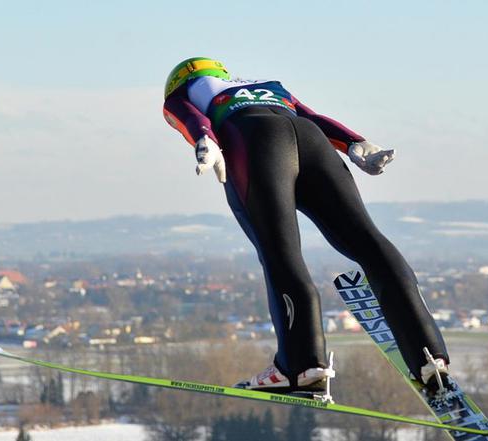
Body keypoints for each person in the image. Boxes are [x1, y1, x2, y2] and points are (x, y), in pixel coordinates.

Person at [162, 57, 449, 396]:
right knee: (369, 242)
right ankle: (429, 354)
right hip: (311, 139)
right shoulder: (267, 86)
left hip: (254, 141)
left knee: (280, 253)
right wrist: (355, 142)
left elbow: (190, 118)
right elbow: (312, 117)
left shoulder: (180, 95)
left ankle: (302, 366)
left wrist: (204, 138)